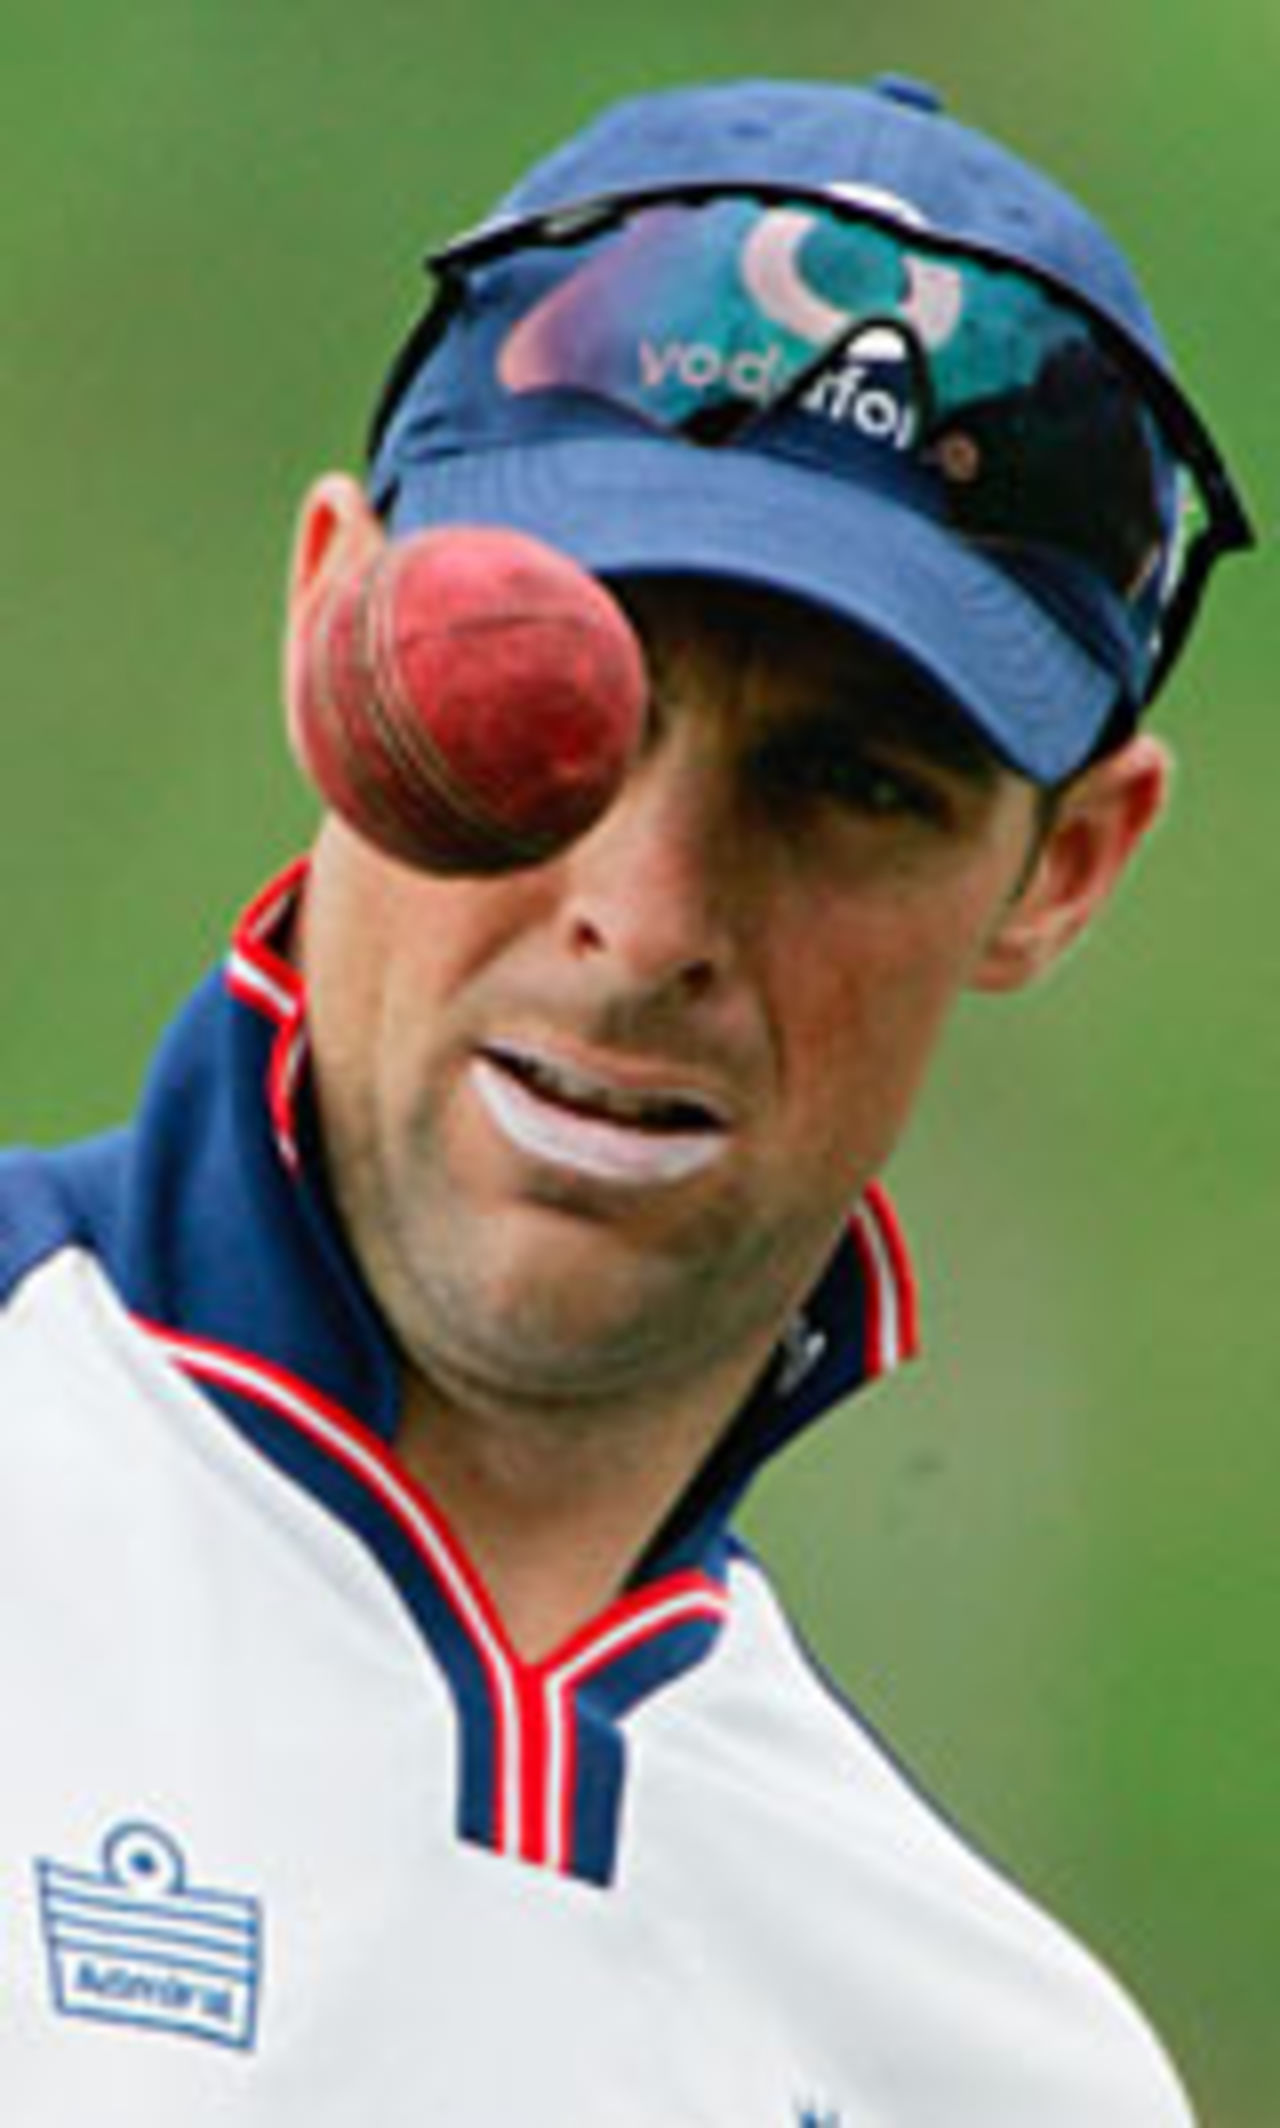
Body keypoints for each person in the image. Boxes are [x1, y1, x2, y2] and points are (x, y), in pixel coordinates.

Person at [0, 72, 1252, 2126]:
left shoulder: (1002, 2072)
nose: (648, 915)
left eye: (852, 783)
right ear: (333, 620)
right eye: (559, 699)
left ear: (1066, 866)